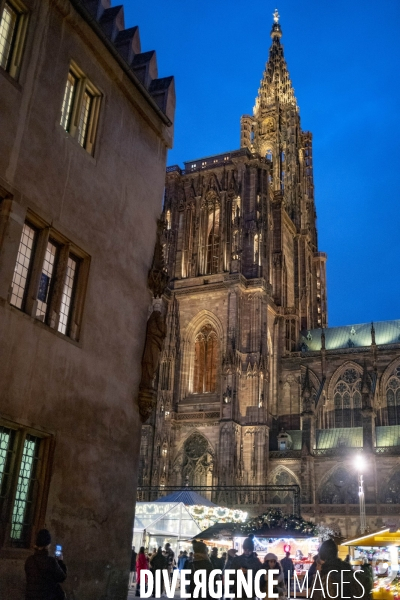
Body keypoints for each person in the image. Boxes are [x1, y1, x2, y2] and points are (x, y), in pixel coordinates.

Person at [25, 528, 67, 600]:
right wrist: (60, 561)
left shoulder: (29, 560)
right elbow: (62, 577)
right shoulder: (51, 561)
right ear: (48, 545)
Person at [231, 535, 262, 600]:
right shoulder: (236, 560)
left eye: (249, 550)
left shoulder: (256, 561)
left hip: (250, 593)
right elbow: (231, 575)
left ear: (252, 549)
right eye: (245, 549)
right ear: (243, 548)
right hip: (239, 592)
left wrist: (249, 572)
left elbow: (260, 576)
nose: (247, 552)